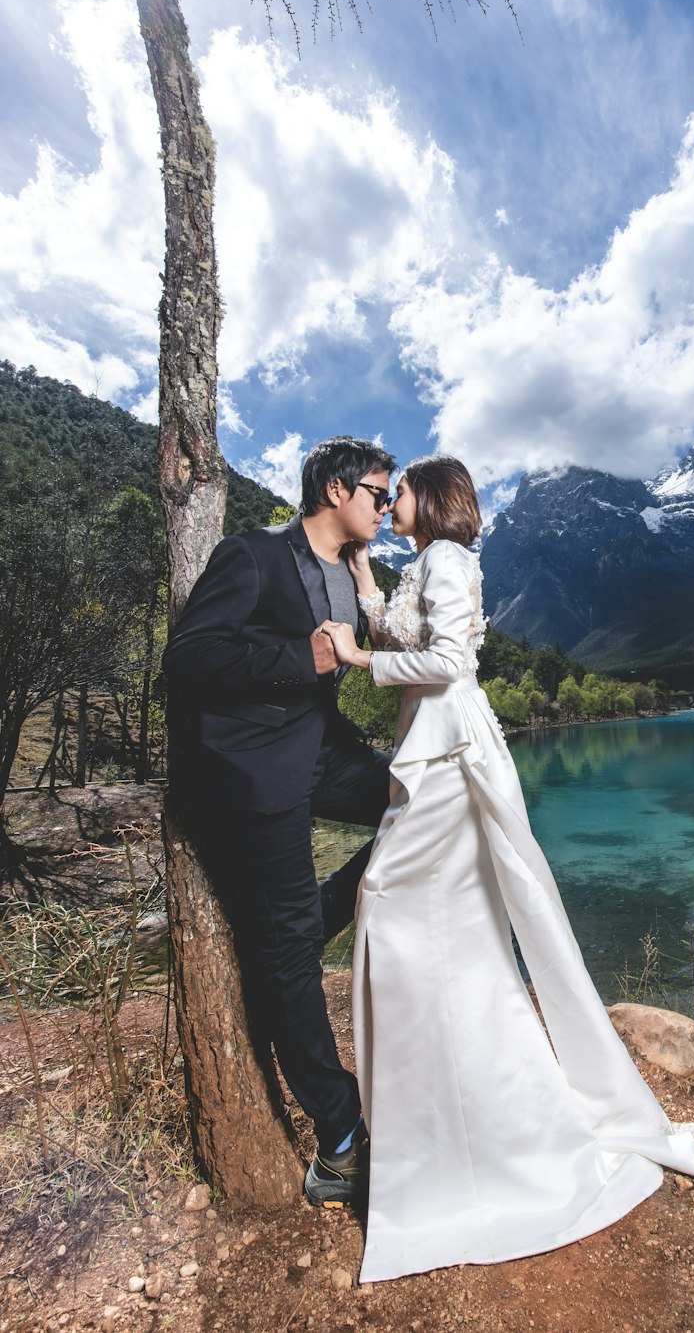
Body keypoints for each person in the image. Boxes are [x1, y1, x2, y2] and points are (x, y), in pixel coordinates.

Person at [329, 455, 694, 1283]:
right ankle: (450, 1107)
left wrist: (359, 661)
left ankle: (461, 1126)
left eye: (397, 491)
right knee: (447, 929)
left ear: (427, 499)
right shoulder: (427, 561)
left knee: (389, 902)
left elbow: (450, 665)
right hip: (433, 752)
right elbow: (407, 633)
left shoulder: (451, 558)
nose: (386, 499)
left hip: (449, 756)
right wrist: (365, 579)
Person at [162, 435, 396, 1206]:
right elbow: (190, 659)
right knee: (290, 959)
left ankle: (308, 922)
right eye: (377, 493)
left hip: (321, 753)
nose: (386, 508)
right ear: (336, 489)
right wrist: (303, 656)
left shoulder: (350, 569)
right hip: (255, 774)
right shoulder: (254, 555)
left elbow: (337, 680)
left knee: (426, 805)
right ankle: (340, 1138)